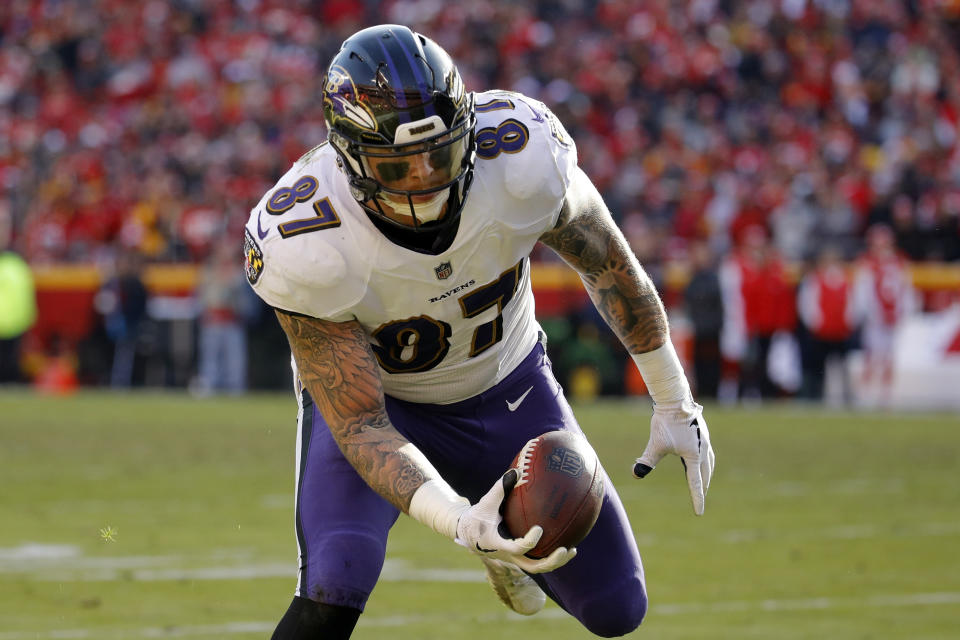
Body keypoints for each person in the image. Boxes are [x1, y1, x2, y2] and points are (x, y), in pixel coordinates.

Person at [244, 25, 715, 639]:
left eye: (438, 155)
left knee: (617, 608)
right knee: (335, 584)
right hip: (385, 405)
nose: (425, 181)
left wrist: (674, 399)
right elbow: (360, 425)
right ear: (349, 157)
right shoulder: (307, 240)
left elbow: (608, 266)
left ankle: (508, 552)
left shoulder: (520, 160)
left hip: (507, 384)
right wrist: (459, 521)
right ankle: (486, 540)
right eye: (398, 166)